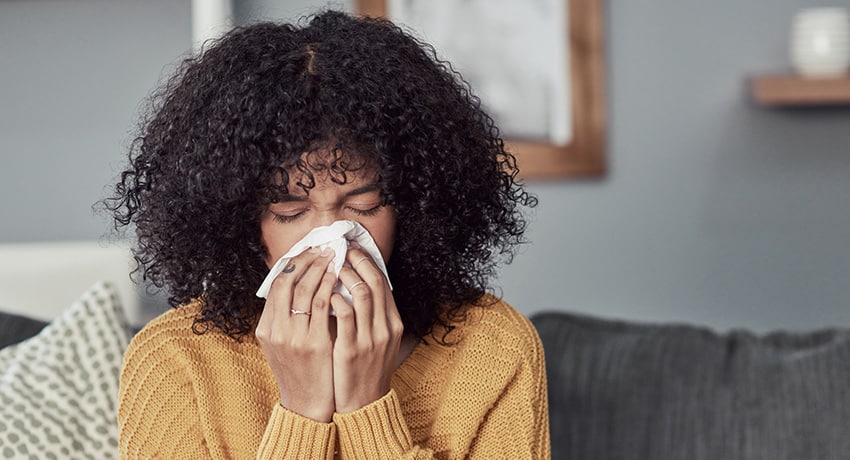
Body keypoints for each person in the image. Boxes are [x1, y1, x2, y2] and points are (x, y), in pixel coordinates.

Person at [105, 9, 548, 459]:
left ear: (414, 204)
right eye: (290, 209)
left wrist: (368, 409)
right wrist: (301, 411)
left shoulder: (494, 345)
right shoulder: (175, 360)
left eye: (362, 205)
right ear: (239, 219)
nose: (330, 236)